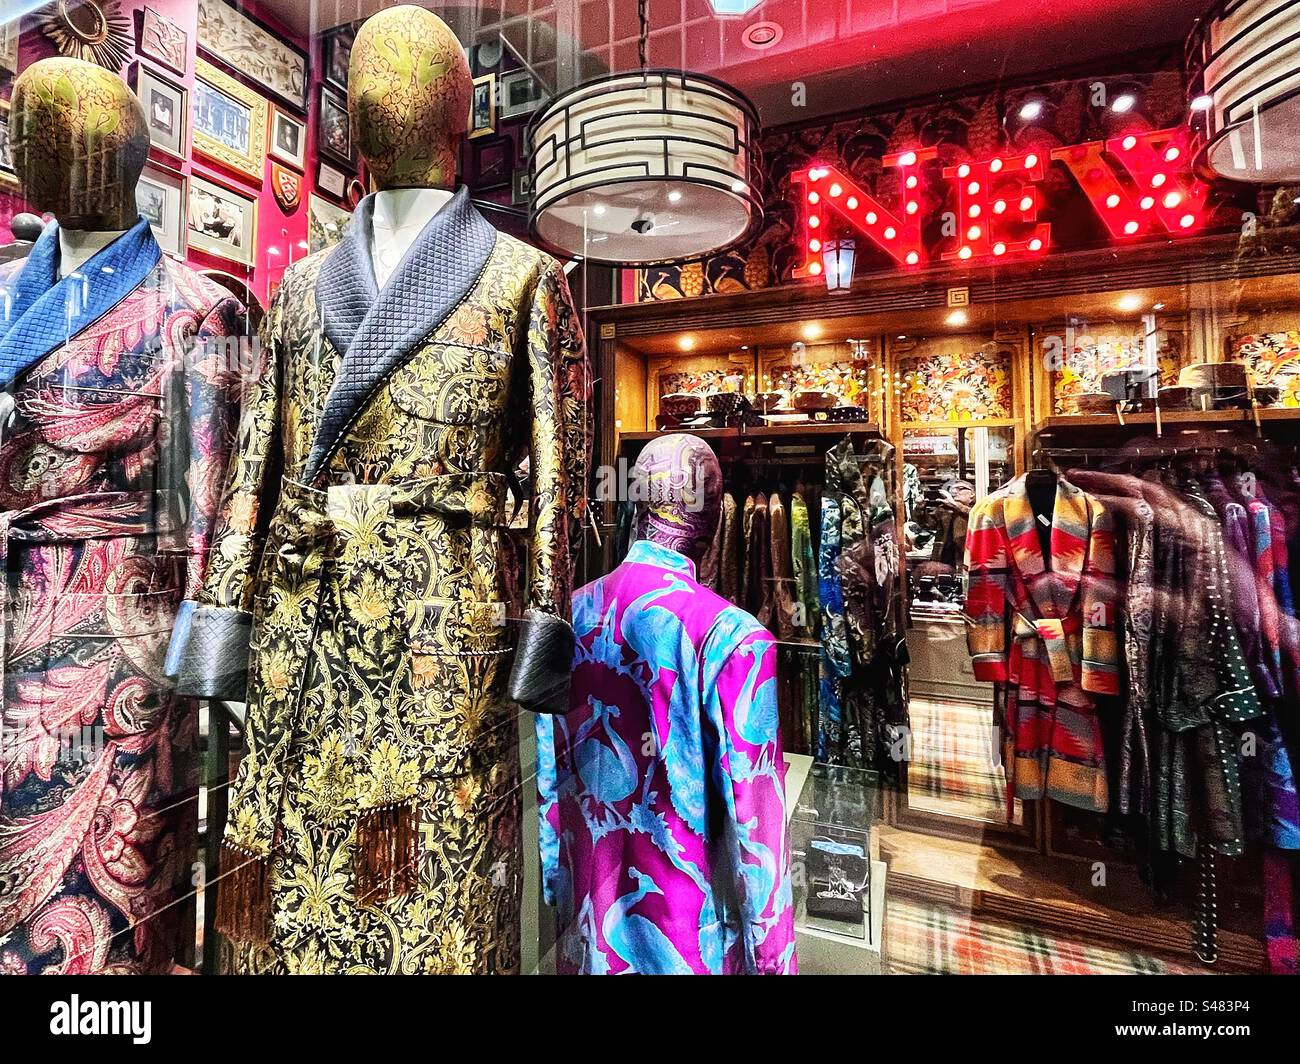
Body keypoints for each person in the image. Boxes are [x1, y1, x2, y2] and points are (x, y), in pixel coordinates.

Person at [536, 432, 797, 974]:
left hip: (586, 929)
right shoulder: (735, 640)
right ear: (715, 523)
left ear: (636, 506)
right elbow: (759, 837)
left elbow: (548, 770)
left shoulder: (572, 614)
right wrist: (774, 964)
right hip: (686, 937)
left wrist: (554, 881)